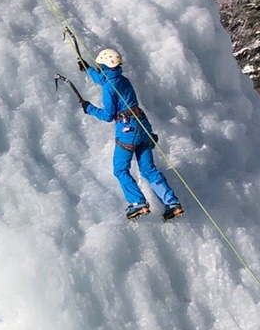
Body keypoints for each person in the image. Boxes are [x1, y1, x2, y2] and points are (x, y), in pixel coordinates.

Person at [78, 48, 183, 221]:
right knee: (148, 169)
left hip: (127, 130)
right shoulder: (122, 79)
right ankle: (172, 204)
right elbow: (105, 79)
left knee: (120, 169)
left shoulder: (108, 88)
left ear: (104, 65)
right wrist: (88, 69)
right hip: (143, 126)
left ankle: (138, 203)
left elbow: (108, 115)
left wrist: (89, 108)